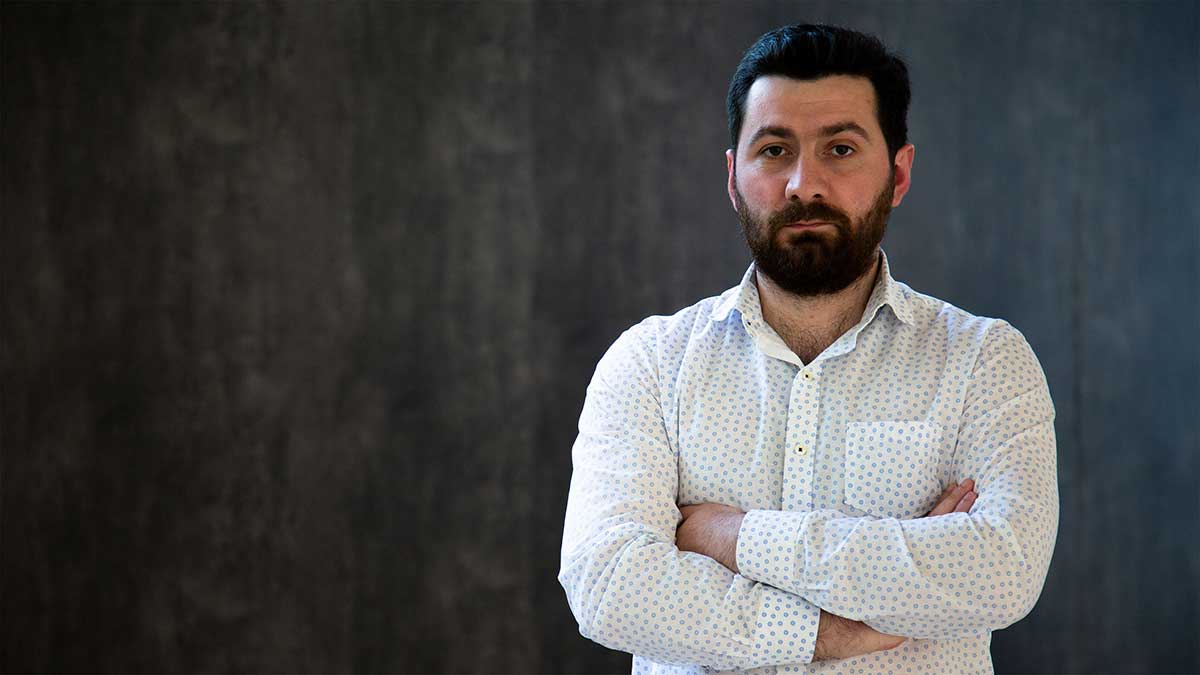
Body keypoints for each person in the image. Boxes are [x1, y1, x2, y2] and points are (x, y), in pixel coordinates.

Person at [557, 23, 1058, 675]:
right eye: (774, 150)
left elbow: (1002, 573)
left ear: (898, 174)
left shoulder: (985, 360)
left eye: (840, 149)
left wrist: (729, 535)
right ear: (733, 177)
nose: (803, 184)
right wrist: (836, 627)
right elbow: (607, 585)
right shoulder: (650, 363)